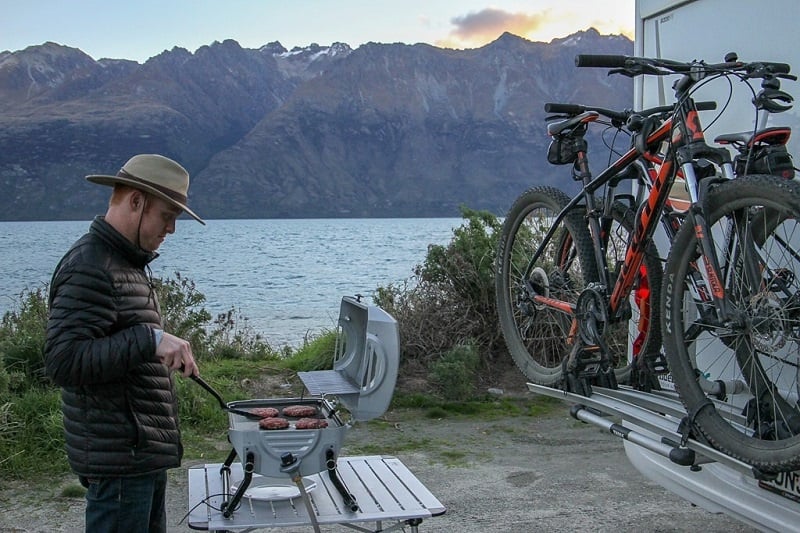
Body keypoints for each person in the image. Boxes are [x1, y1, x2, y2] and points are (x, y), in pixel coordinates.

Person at [44, 154, 205, 533]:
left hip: (140, 457)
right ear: (136, 201)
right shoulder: (90, 265)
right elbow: (63, 362)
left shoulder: (124, 262)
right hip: (119, 465)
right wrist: (149, 340)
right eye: (167, 215)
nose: (171, 229)